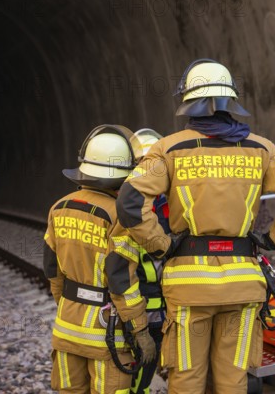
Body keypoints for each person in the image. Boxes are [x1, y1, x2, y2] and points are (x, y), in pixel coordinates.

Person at [116, 59, 275, 394]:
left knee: (187, 379)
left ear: (190, 103)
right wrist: (272, 238)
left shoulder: (170, 148)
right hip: (243, 283)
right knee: (233, 381)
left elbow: (129, 203)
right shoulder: (260, 148)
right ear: (231, 102)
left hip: (188, 285)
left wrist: (160, 244)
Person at [43, 124, 156, 394]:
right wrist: (140, 331)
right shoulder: (119, 217)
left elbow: (51, 270)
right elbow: (121, 282)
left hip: (67, 329)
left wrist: (70, 304)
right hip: (107, 336)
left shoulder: (58, 207)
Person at [128, 128, 169, 394]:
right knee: (141, 361)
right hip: (141, 302)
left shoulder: (168, 204)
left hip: (164, 301)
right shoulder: (129, 205)